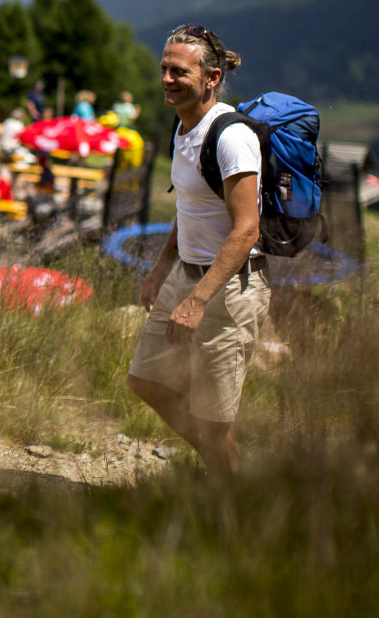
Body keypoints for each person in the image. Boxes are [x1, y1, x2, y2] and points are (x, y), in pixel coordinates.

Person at [127, 25, 268, 478]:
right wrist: (161, 268)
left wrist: (197, 300)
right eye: (164, 69)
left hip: (227, 291)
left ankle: (233, 502)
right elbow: (189, 208)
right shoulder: (183, 126)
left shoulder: (230, 137)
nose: (167, 79)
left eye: (179, 71)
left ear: (211, 77)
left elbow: (246, 230)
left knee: (213, 421)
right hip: (185, 278)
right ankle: (222, 465)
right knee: (145, 379)